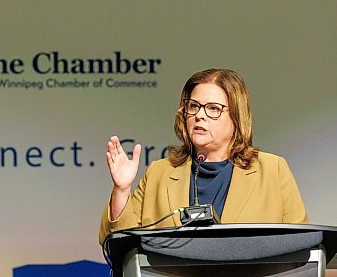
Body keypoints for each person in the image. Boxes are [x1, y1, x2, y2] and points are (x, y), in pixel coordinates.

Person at [99, 68, 307, 245]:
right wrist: (122, 189)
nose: (200, 115)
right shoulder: (159, 173)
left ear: (237, 117)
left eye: (213, 109)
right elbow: (116, 244)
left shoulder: (272, 170)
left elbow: (301, 246)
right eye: (193, 106)